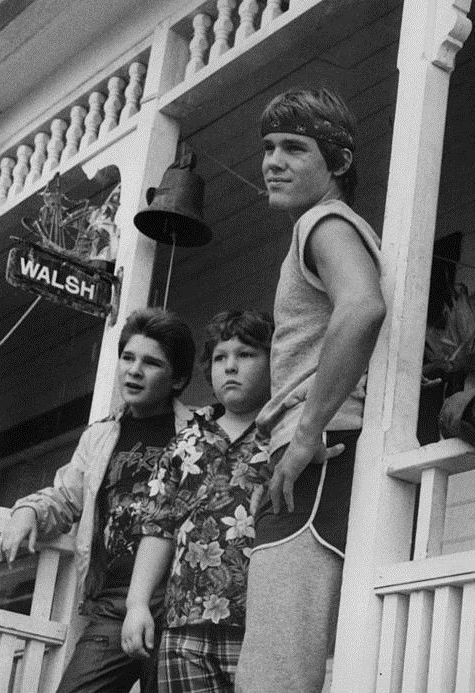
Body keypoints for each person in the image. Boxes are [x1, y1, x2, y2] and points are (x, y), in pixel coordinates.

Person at [235, 87, 387, 693]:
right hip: (321, 453)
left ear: (339, 163)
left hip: (316, 455)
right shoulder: (333, 227)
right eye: (268, 147)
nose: (273, 160)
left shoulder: (322, 222)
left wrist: (301, 436)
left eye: (294, 148)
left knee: (272, 674)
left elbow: (363, 308)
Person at [0, 308, 196, 693]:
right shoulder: (100, 436)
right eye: (128, 358)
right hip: (114, 602)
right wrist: (28, 510)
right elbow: (66, 496)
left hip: (178, 600)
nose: (134, 371)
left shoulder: (196, 433)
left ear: (179, 379)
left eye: (151, 363)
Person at [120, 310, 274, 693]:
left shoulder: (285, 434)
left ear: (276, 360)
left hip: (257, 623)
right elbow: (159, 526)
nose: (231, 366)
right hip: (183, 625)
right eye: (221, 357)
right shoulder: (187, 439)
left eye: (247, 355)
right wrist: (137, 604)